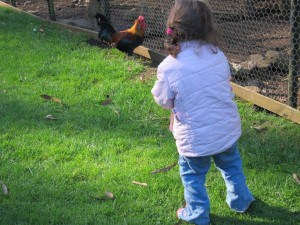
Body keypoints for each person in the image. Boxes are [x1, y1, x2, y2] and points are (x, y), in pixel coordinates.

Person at [151, 0, 255, 224]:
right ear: (207, 25)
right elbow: (223, 81)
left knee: (192, 175)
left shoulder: (169, 66)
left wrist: (173, 104)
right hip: (226, 130)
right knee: (231, 165)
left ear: (173, 27)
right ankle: (241, 200)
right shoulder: (217, 54)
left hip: (195, 139)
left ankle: (197, 213)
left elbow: (162, 99)